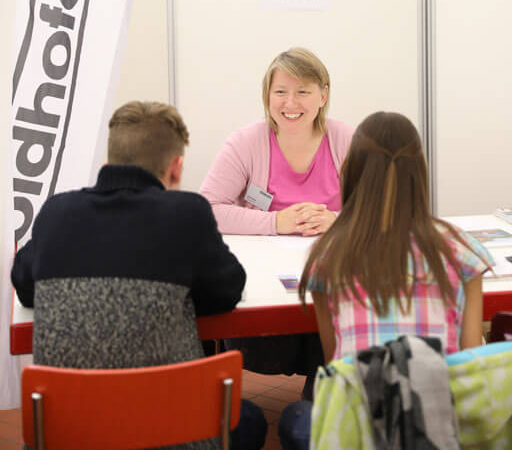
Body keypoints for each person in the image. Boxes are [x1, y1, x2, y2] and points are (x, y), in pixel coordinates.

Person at [12, 100, 267, 450]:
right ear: (176, 168)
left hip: (68, 435)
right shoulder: (187, 214)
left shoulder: (57, 212)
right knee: (250, 419)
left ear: (107, 164)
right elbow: (227, 291)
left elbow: (26, 288)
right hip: (175, 436)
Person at [279, 110, 493, 450]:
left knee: (295, 417)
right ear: (419, 173)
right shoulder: (461, 251)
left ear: (352, 174)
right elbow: (468, 359)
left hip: (359, 431)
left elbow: (337, 363)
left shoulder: (328, 255)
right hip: (435, 429)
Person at [200, 48, 353, 394]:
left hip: (332, 274)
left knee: (334, 334)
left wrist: (336, 220)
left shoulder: (346, 139)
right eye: (280, 92)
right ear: (267, 95)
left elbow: (380, 209)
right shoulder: (246, 142)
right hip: (265, 277)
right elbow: (207, 207)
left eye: (303, 92)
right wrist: (275, 222)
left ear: (323, 94)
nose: (290, 103)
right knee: (266, 345)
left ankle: (322, 399)